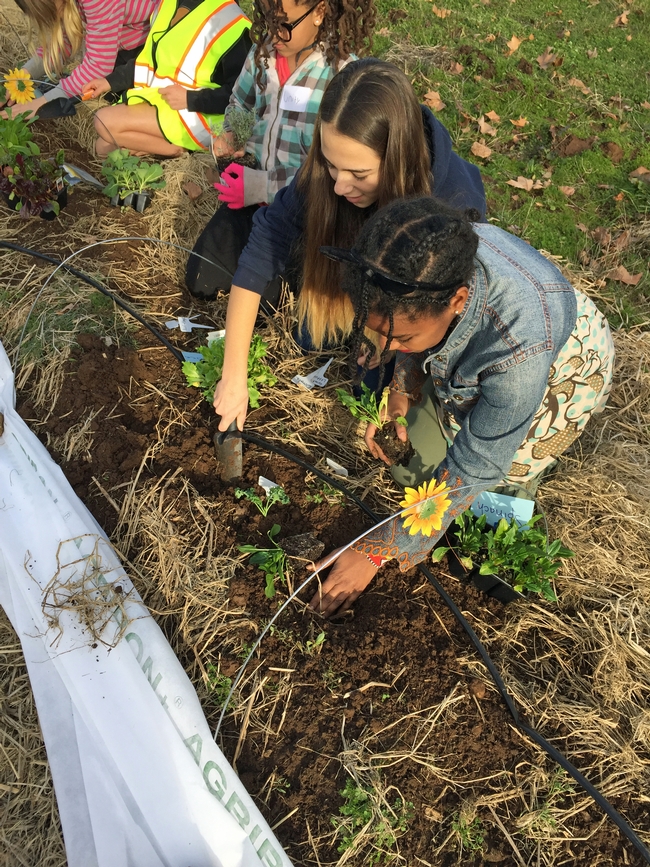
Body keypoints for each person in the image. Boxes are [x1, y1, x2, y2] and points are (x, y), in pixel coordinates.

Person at [307, 196, 614, 617]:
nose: (388, 348)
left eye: (401, 340)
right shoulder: (431, 263)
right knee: (409, 467)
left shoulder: (517, 352)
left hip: (564, 368)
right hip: (504, 334)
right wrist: (401, 386)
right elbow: (415, 328)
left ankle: (518, 486)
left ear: (457, 300)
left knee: (486, 528)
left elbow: (479, 461)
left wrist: (377, 548)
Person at [204, 58, 487, 431]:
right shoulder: (330, 172)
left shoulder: (452, 202)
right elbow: (263, 246)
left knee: (370, 392)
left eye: (359, 174)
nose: (338, 186)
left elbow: (437, 314)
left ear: (398, 158)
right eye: (332, 165)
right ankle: (354, 324)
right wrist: (234, 374)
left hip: (410, 305)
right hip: (360, 277)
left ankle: (372, 339)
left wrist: (401, 378)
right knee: (310, 340)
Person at [185, 0, 375, 299]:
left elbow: (329, 175)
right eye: (267, 21)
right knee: (201, 278)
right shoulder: (263, 55)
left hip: (305, 212)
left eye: (284, 25)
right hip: (256, 204)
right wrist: (234, 133)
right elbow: (242, 103)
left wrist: (263, 187)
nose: (273, 35)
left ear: (320, 12)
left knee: (271, 299)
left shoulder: (341, 76)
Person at [86, 0, 252, 157]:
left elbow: (241, 95)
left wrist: (190, 99)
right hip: (167, 103)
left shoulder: (230, 18)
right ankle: (163, 147)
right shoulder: (168, 4)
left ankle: (178, 148)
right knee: (103, 148)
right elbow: (150, 59)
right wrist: (109, 82)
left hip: (201, 114)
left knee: (104, 121)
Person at [8, 0, 159, 118]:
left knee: (113, 104)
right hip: (127, 44)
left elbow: (98, 67)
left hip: (155, 47)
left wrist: (41, 104)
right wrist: (19, 79)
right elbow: (64, 43)